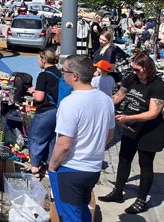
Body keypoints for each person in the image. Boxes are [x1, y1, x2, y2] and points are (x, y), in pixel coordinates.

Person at [48, 55, 115, 221]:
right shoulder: (106, 100)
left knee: (70, 216)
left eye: (64, 71)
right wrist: (94, 148)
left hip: (72, 169)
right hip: (93, 168)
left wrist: (52, 166)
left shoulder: (70, 103)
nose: (62, 74)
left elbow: (64, 144)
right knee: (83, 210)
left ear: (74, 76)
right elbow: (110, 134)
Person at [98, 52, 164, 214]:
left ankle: (141, 200)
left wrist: (128, 118)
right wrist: (101, 105)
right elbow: (119, 95)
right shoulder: (132, 78)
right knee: (124, 159)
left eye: (137, 70)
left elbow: (153, 113)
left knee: (145, 165)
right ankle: (118, 191)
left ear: (147, 68)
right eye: (133, 69)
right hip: (131, 128)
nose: (134, 72)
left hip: (149, 131)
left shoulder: (158, 85)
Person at [26, 49, 60, 178]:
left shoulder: (43, 75)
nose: (38, 61)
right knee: (51, 139)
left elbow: (39, 97)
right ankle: (48, 167)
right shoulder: (58, 72)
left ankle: (34, 168)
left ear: (43, 60)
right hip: (57, 110)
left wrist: (33, 92)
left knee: (36, 137)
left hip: (45, 111)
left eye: (38, 59)